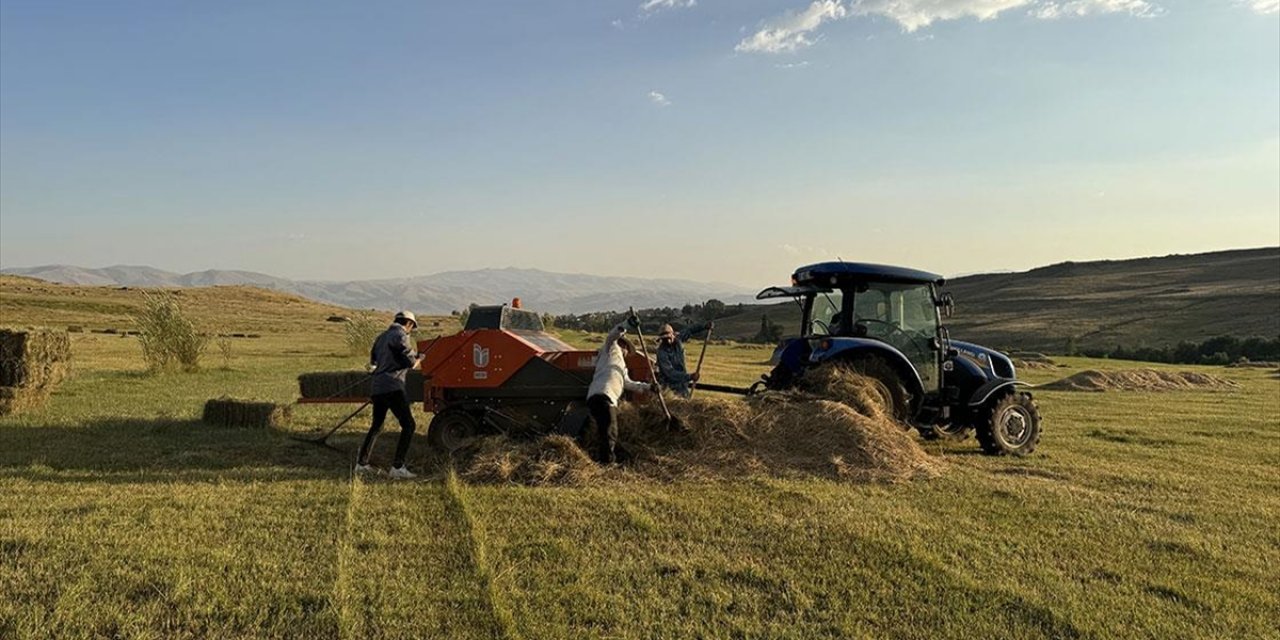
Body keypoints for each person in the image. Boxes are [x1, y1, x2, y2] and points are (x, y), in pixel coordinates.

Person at [356, 310, 424, 479]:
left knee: (377, 426)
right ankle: (398, 467)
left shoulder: (381, 337)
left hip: (377, 387)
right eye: (412, 327)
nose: (411, 330)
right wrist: (420, 358)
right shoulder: (401, 336)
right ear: (408, 323)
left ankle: (361, 464)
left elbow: (373, 361)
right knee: (409, 425)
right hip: (393, 386)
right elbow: (410, 363)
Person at [586, 323, 657, 464]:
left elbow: (630, 384)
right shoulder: (610, 349)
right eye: (626, 349)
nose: (626, 352)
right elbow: (612, 336)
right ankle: (607, 463)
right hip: (602, 394)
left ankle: (606, 458)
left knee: (607, 431)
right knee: (611, 430)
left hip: (607, 398)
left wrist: (649, 387)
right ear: (622, 344)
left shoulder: (622, 367)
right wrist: (625, 325)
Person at [654, 321, 713, 398]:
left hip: (682, 384)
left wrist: (704, 326)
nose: (667, 341)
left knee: (686, 401)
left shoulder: (678, 340)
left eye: (669, 338)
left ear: (673, 335)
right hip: (668, 387)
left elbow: (690, 330)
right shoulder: (662, 352)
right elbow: (670, 373)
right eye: (664, 339)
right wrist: (689, 377)